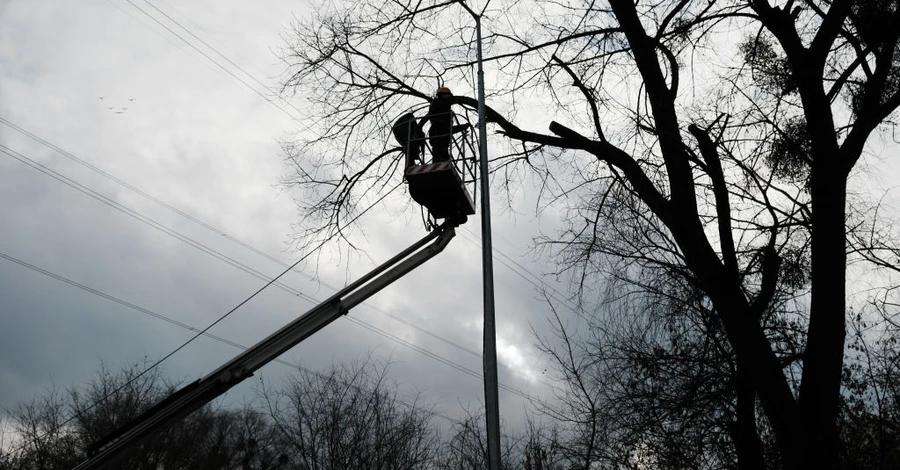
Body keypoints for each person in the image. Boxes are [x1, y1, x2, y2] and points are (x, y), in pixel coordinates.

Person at [423, 87, 469, 162]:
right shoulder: (439, 104)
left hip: (438, 137)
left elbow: (449, 129)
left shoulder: (439, 110)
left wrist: (462, 127)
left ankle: (440, 161)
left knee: (440, 155)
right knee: (440, 155)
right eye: (448, 96)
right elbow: (448, 129)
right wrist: (462, 127)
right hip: (439, 138)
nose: (449, 98)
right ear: (442, 95)